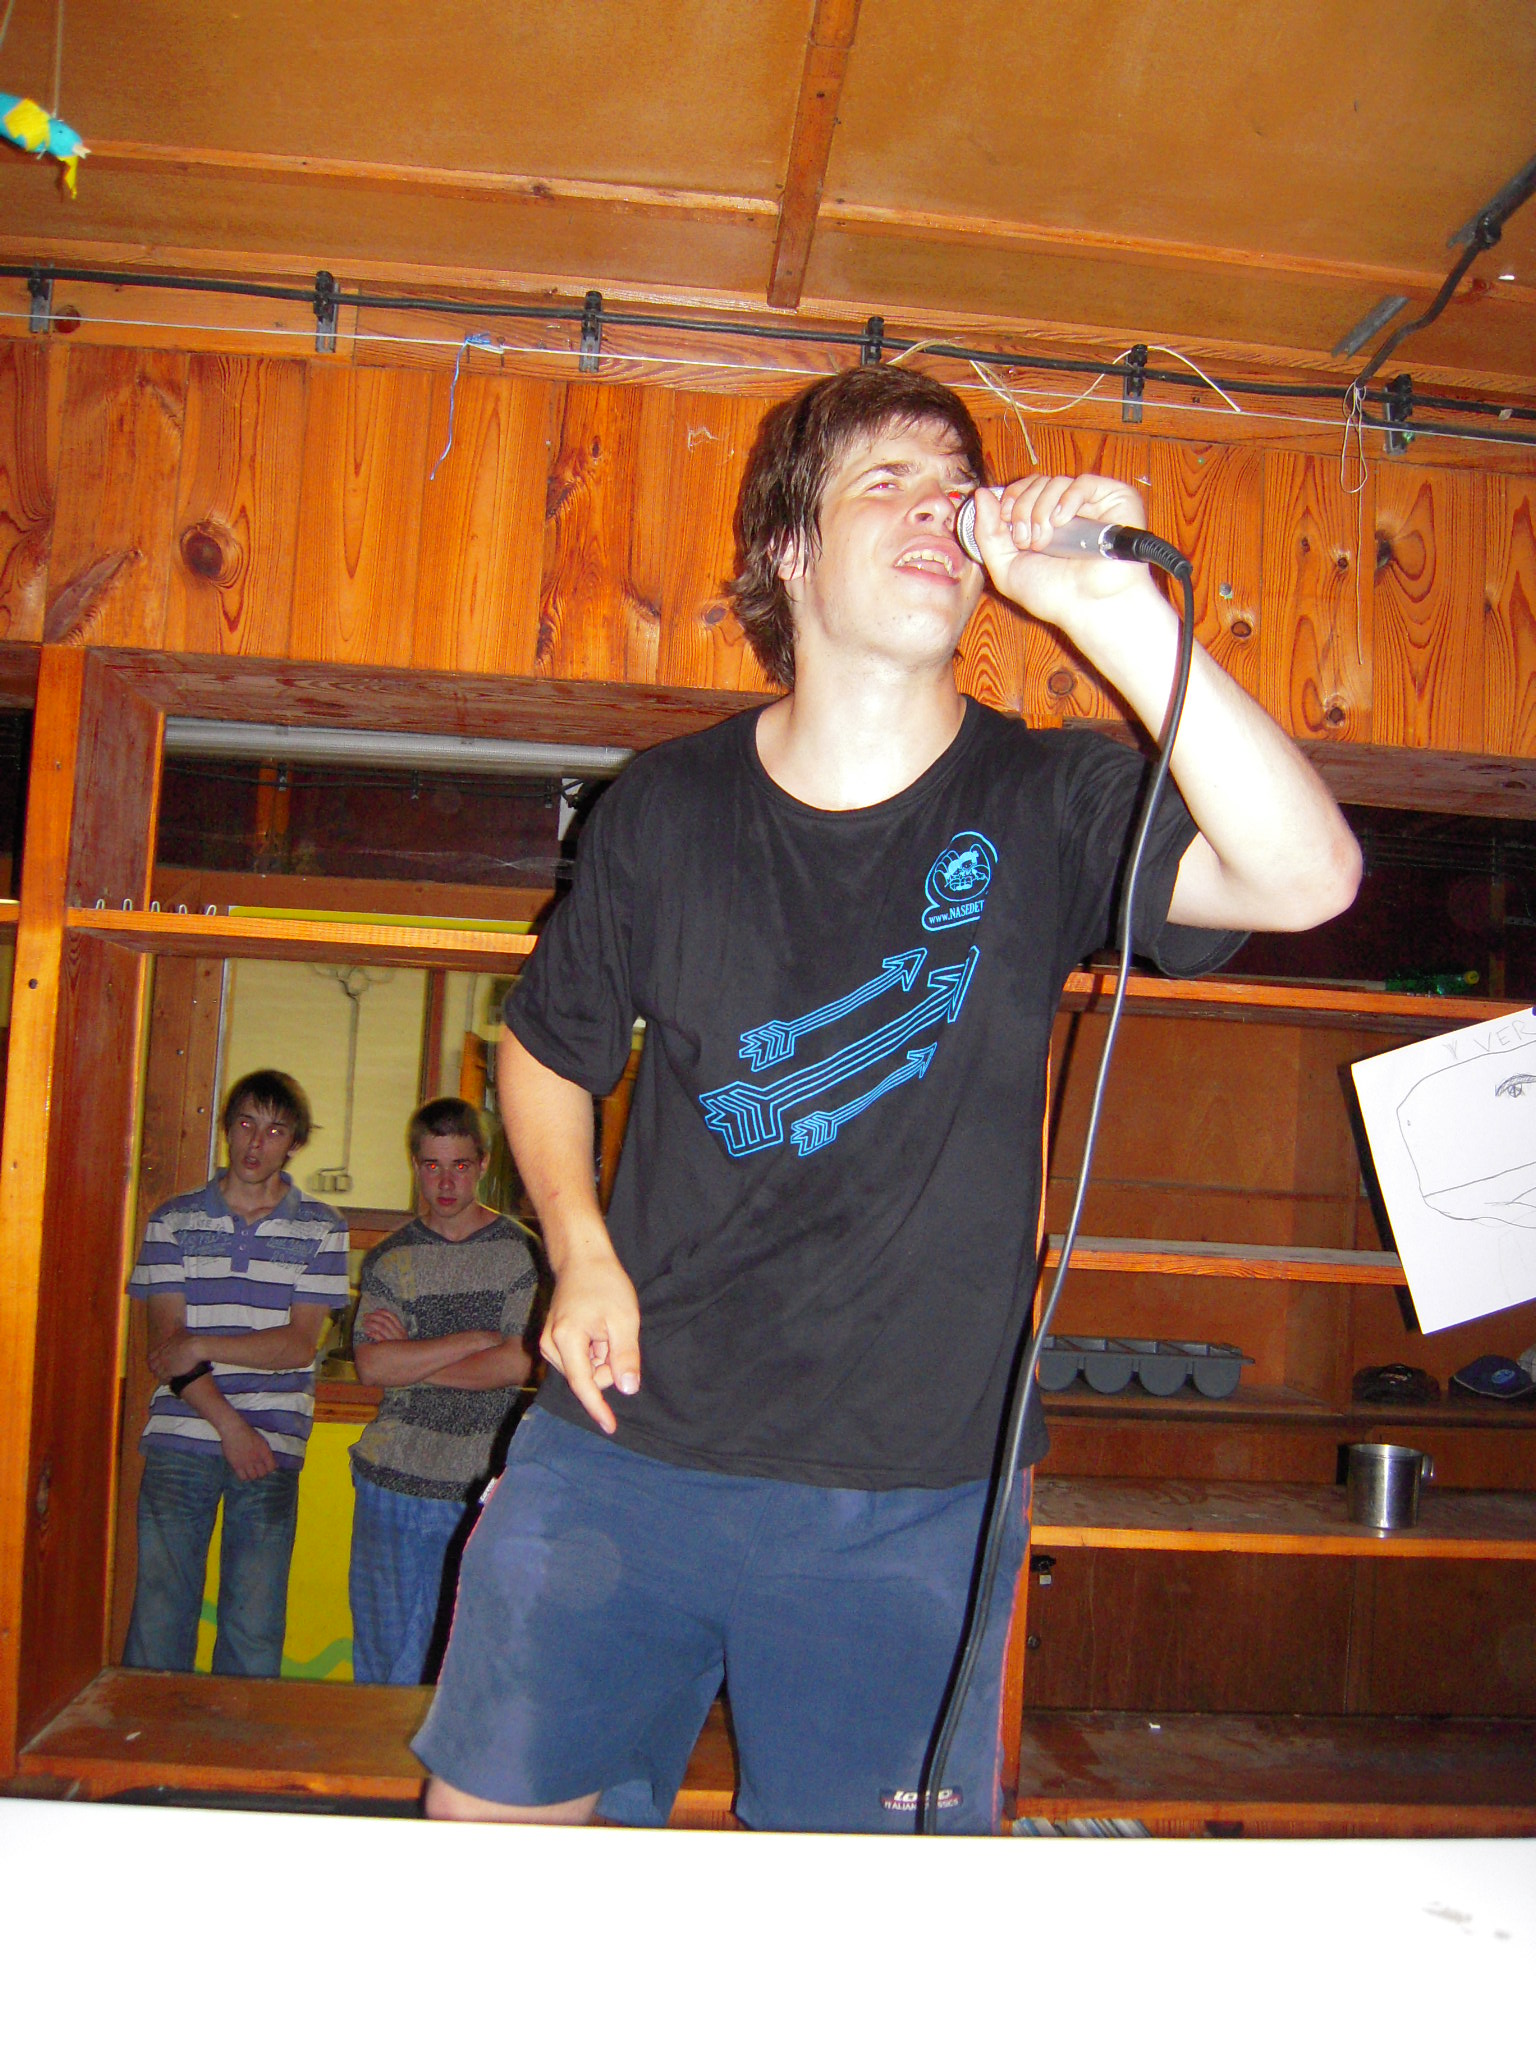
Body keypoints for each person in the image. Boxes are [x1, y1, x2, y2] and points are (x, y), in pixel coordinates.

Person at [414, 366, 1362, 1831]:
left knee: (870, 1930)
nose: (940, 509)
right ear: (789, 549)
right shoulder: (662, 808)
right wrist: (580, 1249)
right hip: (624, 1448)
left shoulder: (1052, 797)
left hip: (916, 1493)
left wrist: (1114, 611)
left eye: (957, 490)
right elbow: (548, 1046)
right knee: (489, 1857)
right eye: (888, 481)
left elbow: (1308, 879)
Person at [124, 1070, 350, 1677]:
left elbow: (297, 1345)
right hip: (183, 1438)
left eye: (275, 1130)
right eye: (246, 1123)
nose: (256, 1143)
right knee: (159, 1619)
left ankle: (235, 1742)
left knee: (254, 1627)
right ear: (226, 1128)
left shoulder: (323, 1227)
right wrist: (232, 1428)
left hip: (272, 1447)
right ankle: (153, 1737)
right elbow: (164, 1350)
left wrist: (199, 1342)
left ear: (294, 1143)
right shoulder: (172, 1220)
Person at [347, 1097, 537, 1685]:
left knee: (464, 1672)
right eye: (432, 1166)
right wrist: (470, 1340)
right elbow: (371, 1366)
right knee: (383, 1670)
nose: (446, 1182)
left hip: (479, 1489)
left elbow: (516, 1363)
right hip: (390, 1484)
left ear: (482, 1164)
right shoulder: (390, 1258)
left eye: (459, 1165)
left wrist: (411, 1358)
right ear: (415, 1165)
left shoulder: (521, 1252)